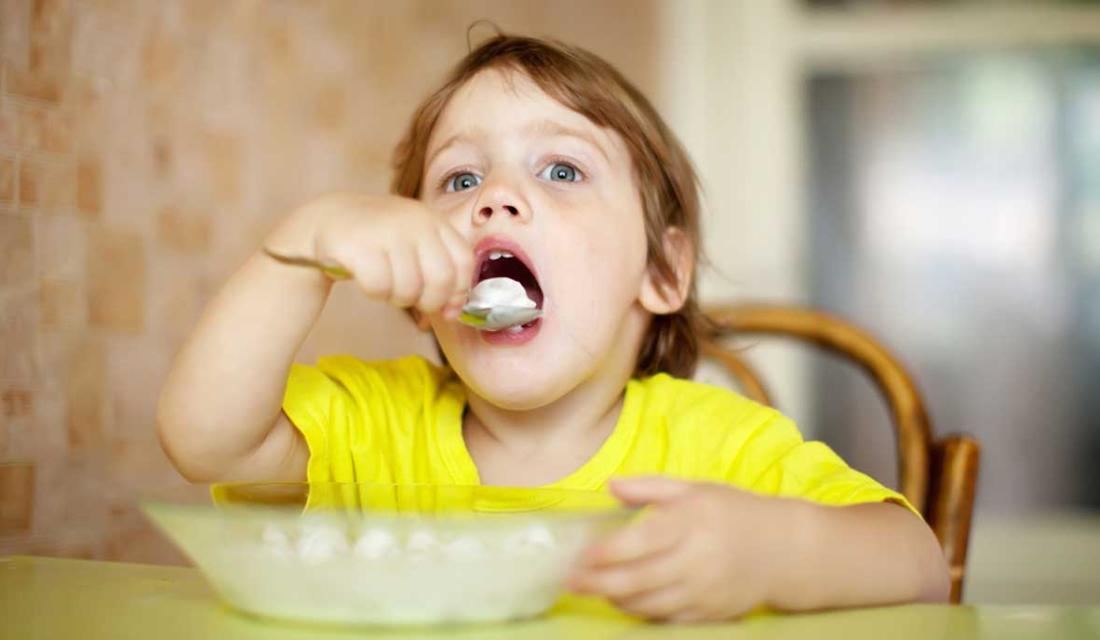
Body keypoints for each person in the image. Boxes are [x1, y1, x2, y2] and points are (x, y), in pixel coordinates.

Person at [158, 33, 949, 622]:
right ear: (417, 283)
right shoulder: (374, 425)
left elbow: (919, 564)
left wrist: (772, 553)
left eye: (561, 170)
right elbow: (204, 440)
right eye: (460, 179)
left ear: (663, 271)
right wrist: (300, 251)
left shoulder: (718, 448)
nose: (494, 198)